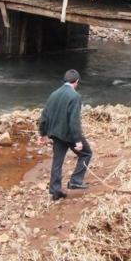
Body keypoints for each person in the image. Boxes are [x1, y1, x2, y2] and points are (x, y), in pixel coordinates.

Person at [38, 69, 92, 201]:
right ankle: (75, 181)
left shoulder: (54, 94)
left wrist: (43, 134)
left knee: (57, 162)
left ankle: (55, 191)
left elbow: (44, 116)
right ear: (77, 81)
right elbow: (74, 121)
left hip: (56, 134)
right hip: (69, 135)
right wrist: (78, 140)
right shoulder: (74, 96)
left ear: (65, 80)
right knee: (86, 153)